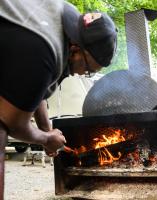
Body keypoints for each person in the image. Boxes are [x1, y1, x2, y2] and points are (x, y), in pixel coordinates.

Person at [0, 0, 117, 199]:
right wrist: (47, 139)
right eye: (88, 70)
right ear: (76, 50)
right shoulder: (43, 50)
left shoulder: (67, 19)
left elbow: (37, 91)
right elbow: (14, 124)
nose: (81, 74)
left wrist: (46, 128)